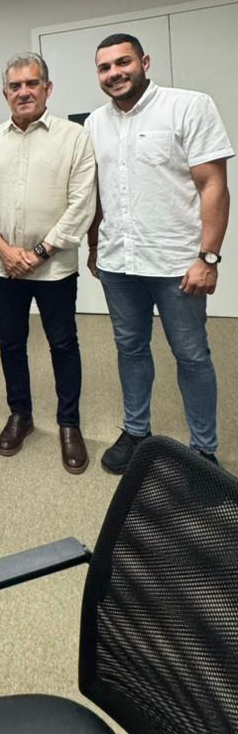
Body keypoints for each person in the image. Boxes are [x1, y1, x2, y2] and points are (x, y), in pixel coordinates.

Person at [86, 33, 233, 471]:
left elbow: (214, 184)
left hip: (177, 264)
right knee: (130, 348)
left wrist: (208, 258)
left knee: (192, 354)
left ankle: (203, 451)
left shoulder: (188, 106)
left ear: (144, 62)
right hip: (118, 262)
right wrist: (94, 246)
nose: (114, 73)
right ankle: (136, 431)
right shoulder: (94, 123)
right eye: (104, 67)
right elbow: (96, 193)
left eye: (123, 62)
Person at [0, 53, 96, 473]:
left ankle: (69, 423)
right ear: (5, 93)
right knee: (10, 345)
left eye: (32, 84)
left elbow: (82, 204)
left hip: (55, 269)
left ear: (48, 88)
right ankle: (21, 415)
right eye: (15, 86)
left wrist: (40, 252)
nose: (24, 92)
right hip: (2, 267)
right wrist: (4, 249)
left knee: (63, 344)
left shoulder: (75, 137)